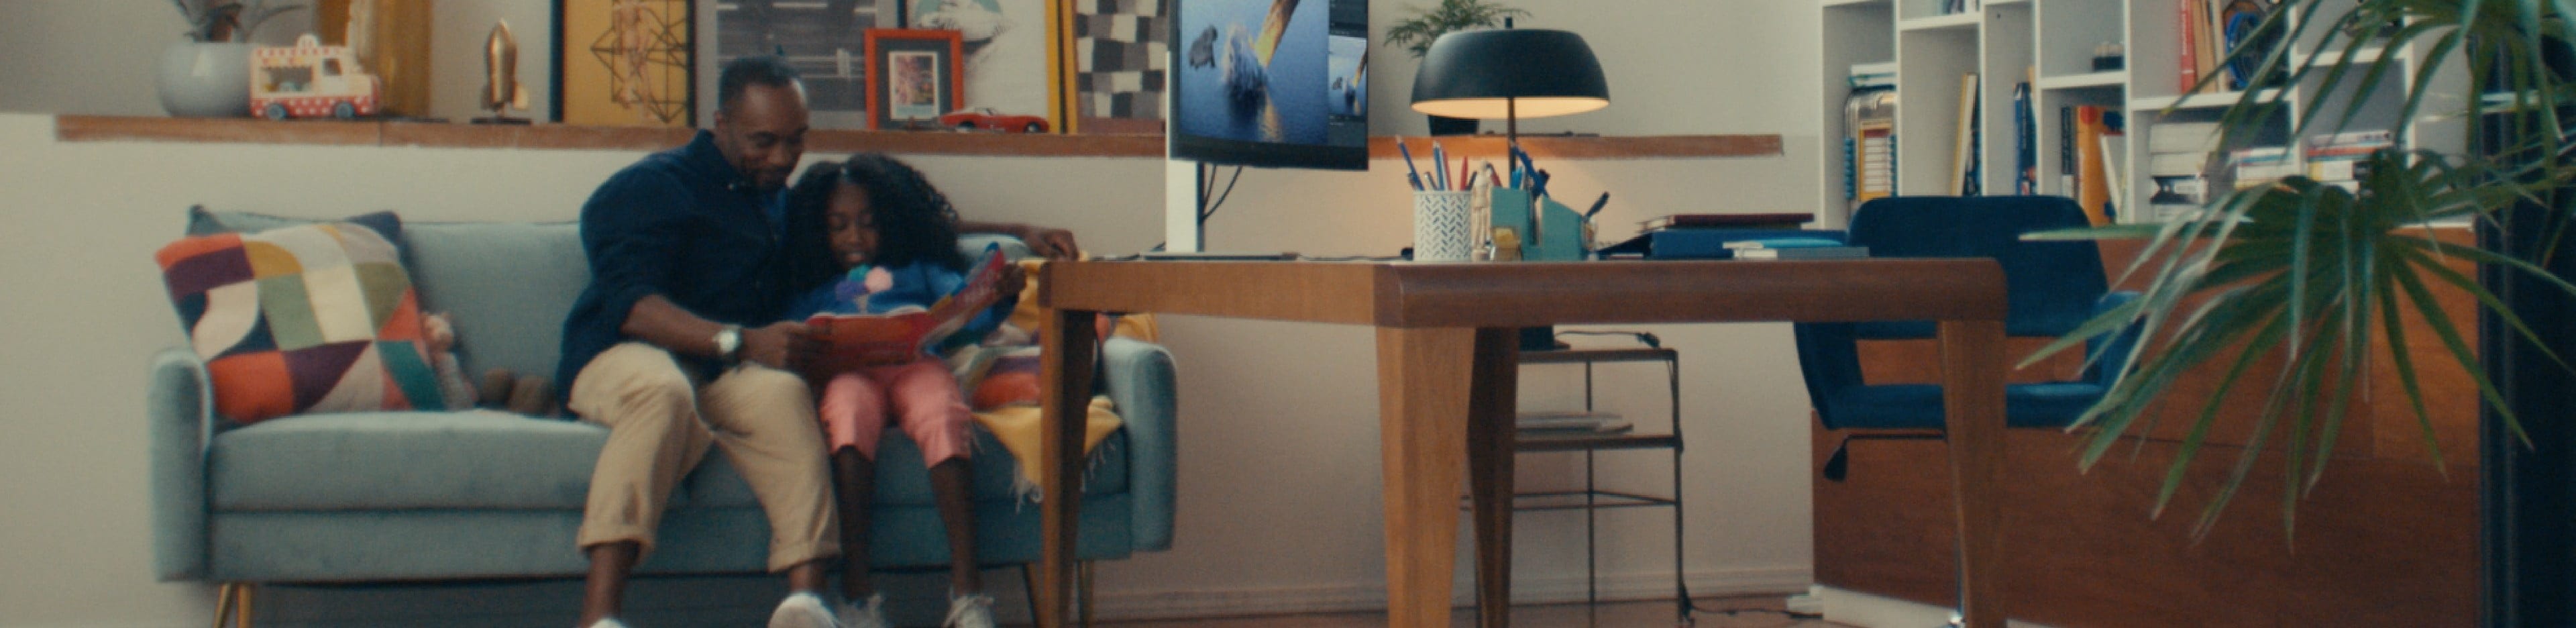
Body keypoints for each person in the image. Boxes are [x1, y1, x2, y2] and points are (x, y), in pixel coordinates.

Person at [557, 55, 1078, 628]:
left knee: (786, 399)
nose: (782, 158)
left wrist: (1018, 231)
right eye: (765, 141)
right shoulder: (648, 189)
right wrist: (743, 342)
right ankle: (599, 616)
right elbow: (631, 306)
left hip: (727, 370)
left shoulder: (778, 195)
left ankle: (806, 604)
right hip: (629, 355)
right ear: (720, 124)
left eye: (795, 140)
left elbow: (887, 217)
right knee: (665, 396)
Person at [780, 154, 1020, 628]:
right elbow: (791, 332)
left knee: (943, 414)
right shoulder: (814, 284)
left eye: (869, 224)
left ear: (890, 221)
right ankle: (857, 595)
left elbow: (962, 315)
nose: (855, 238)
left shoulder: (919, 268)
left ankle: (968, 594)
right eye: (839, 226)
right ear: (818, 231)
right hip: (850, 373)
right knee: (847, 416)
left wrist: (998, 293)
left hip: (915, 364)